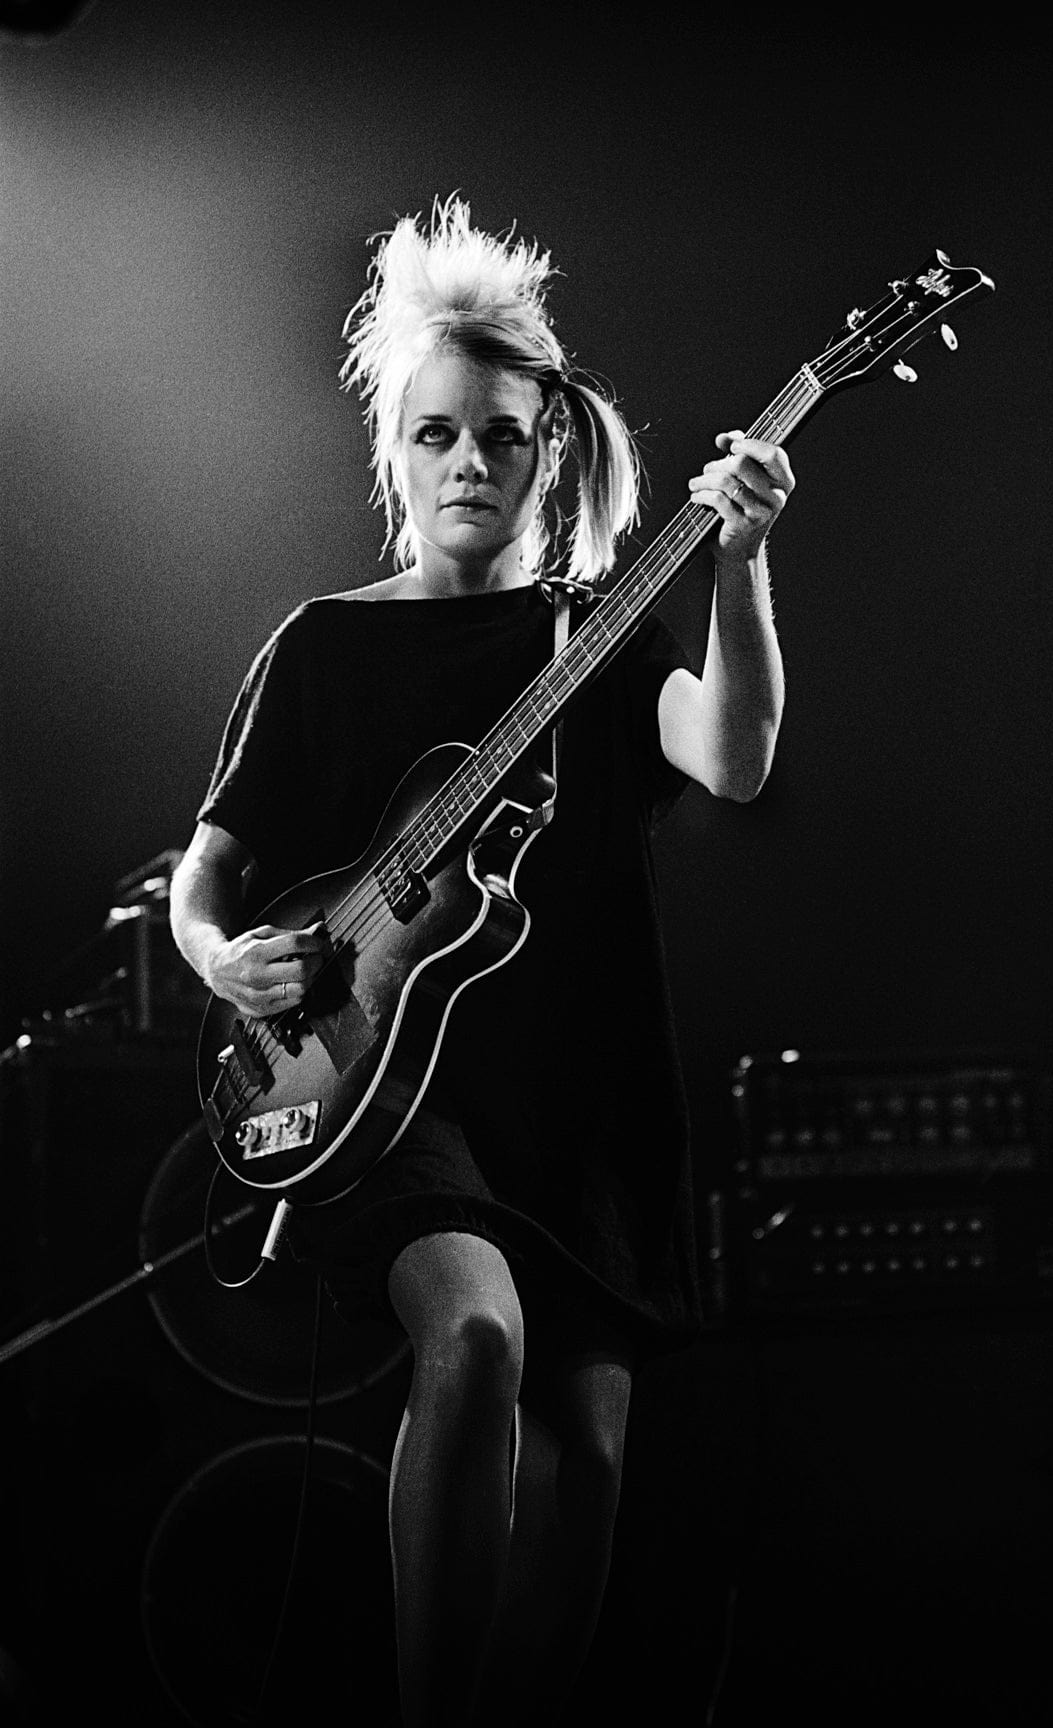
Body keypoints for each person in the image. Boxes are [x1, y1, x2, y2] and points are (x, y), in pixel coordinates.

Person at [169, 197, 793, 1726]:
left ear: (548, 452)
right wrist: (220, 963)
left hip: (580, 1091)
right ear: (393, 451)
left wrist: (745, 561)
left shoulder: (599, 633)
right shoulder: (319, 645)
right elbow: (207, 882)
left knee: (585, 1445)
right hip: (377, 1085)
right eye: (436, 436)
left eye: (500, 438)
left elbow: (734, 759)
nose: (468, 465)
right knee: (476, 1330)